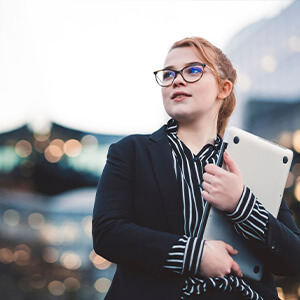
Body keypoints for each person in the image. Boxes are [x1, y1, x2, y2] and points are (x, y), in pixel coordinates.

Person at [92, 37, 300, 300]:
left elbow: (293, 259)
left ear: (224, 88)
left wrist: (241, 204)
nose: (176, 80)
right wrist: (195, 255)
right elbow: (108, 233)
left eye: (192, 70)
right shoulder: (130, 152)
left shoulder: (253, 163)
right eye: (168, 74)